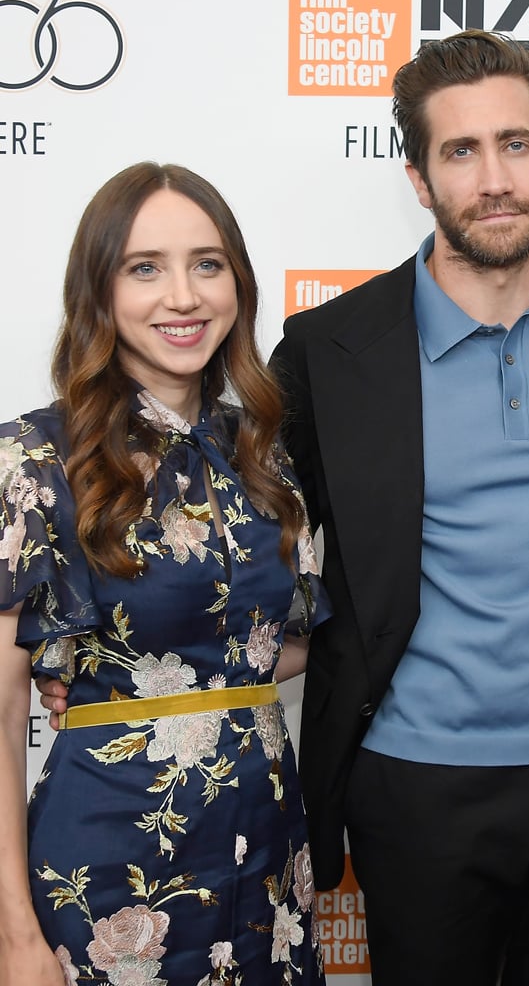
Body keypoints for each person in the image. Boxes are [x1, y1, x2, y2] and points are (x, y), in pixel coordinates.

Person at [268, 30, 529, 985]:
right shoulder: (330, 351)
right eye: (460, 151)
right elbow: (246, 553)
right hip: (414, 786)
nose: (494, 178)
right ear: (416, 176)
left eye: (516, 144)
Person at [3, 163, 327, 985]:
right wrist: (15, 938)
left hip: (266, 855)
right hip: (109, 866)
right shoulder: (36, 461)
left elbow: (269, 650)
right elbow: (0, 717)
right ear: (99, 291)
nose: (182, 296)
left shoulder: (262, 454)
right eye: (145, 267)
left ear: (237, 285)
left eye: (207, 264)